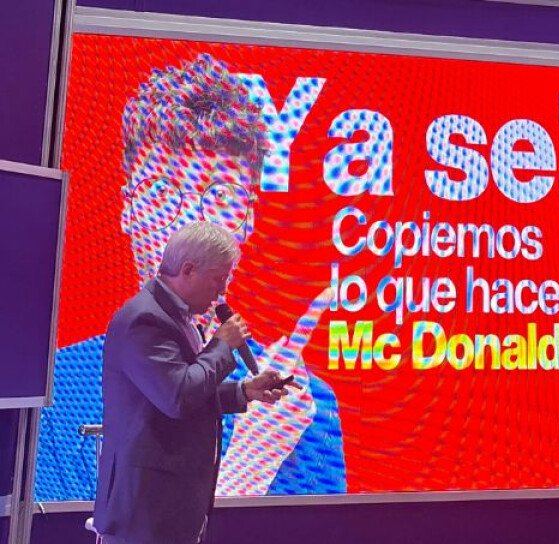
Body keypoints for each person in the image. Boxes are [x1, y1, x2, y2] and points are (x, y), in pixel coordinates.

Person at [36, 53, 346, 502]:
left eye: (218, 198)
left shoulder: (302, 406)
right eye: (163, 194)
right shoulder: (58, 389)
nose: (189, 228)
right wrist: (247, 467)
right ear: (128, 209)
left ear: (247, 219)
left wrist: (247, 393)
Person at [95, 222, 294, 543]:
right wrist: (221, 345)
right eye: (218, 279)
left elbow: (187, 388)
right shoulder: (144, 320)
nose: (222, 291)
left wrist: (245, 391)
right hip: (146, 509)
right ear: (188, 269)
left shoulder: (179, 318)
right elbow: (178, 396)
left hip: (173, 505)